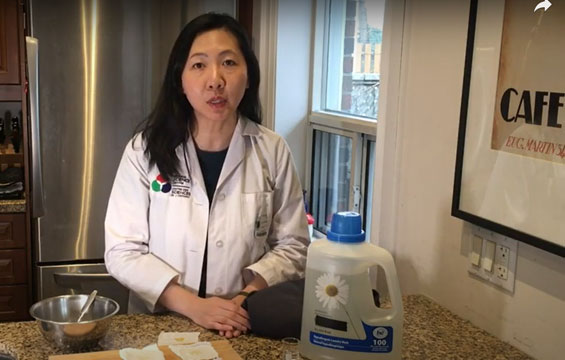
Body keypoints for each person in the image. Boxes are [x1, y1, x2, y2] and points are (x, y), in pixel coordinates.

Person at [104, 13, 309, 338]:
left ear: (249, 76)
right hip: (158, 323)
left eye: (229, 63)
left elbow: (293, 244)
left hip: (238, 323)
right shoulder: (144, 149)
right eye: (199, 65)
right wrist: (193, 305)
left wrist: (244, 298)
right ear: (180, 80)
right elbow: (122, 250)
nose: (215, 80)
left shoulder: (272, 150)